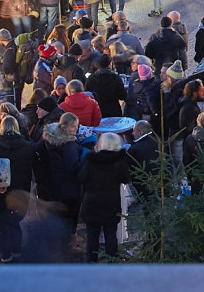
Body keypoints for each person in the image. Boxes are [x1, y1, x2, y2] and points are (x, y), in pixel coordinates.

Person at [0, 115, 35, 263]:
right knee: (15, 223)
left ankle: (6, 256)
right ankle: (17, 252)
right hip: (20, 192)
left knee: (0, 227)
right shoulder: (27, 147)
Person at [34, 112, 86, 248]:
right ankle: (69, 242)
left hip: (54, 185)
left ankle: (58, 241)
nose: (76, 129)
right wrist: (86, 156)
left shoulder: (48, 139)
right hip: (71, 188)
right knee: (71, 215)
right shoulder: (69, 146)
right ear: (64, 127)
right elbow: (74, 168)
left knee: (60, 215)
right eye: (74, 126)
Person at [78, 132, 131, 262]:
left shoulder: (91, 159)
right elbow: (126, 179)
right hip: (111, 201)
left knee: (92, 235)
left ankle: (91, 261)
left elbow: (81, 177)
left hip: (92, 201)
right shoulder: (120, 160)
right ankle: (112, 260)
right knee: (111, 234)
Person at [86, 54, 127, 119]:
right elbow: (122, 96)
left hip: (97, 111)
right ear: (110, 64)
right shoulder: (115, 78)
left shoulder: (91, 78)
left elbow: (87, 94)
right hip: (113, 111)